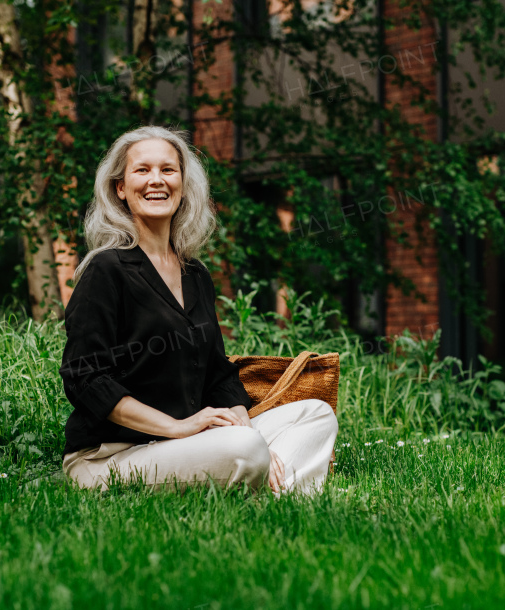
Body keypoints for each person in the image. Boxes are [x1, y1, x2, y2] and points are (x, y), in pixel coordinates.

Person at [58, 125, 339, 497]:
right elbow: (86, 379)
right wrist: (179, 427)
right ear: (120, 189)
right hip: (112, 457)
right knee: (244, 448)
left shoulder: (196, 275)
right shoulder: (105, 270)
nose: (156, 180)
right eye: (142, 170)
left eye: (168, 170)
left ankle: (268, 489)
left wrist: (245, 427)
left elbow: (218, 376)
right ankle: (272, 486)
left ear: (183, 184)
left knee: (314, 414)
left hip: (186, 445)